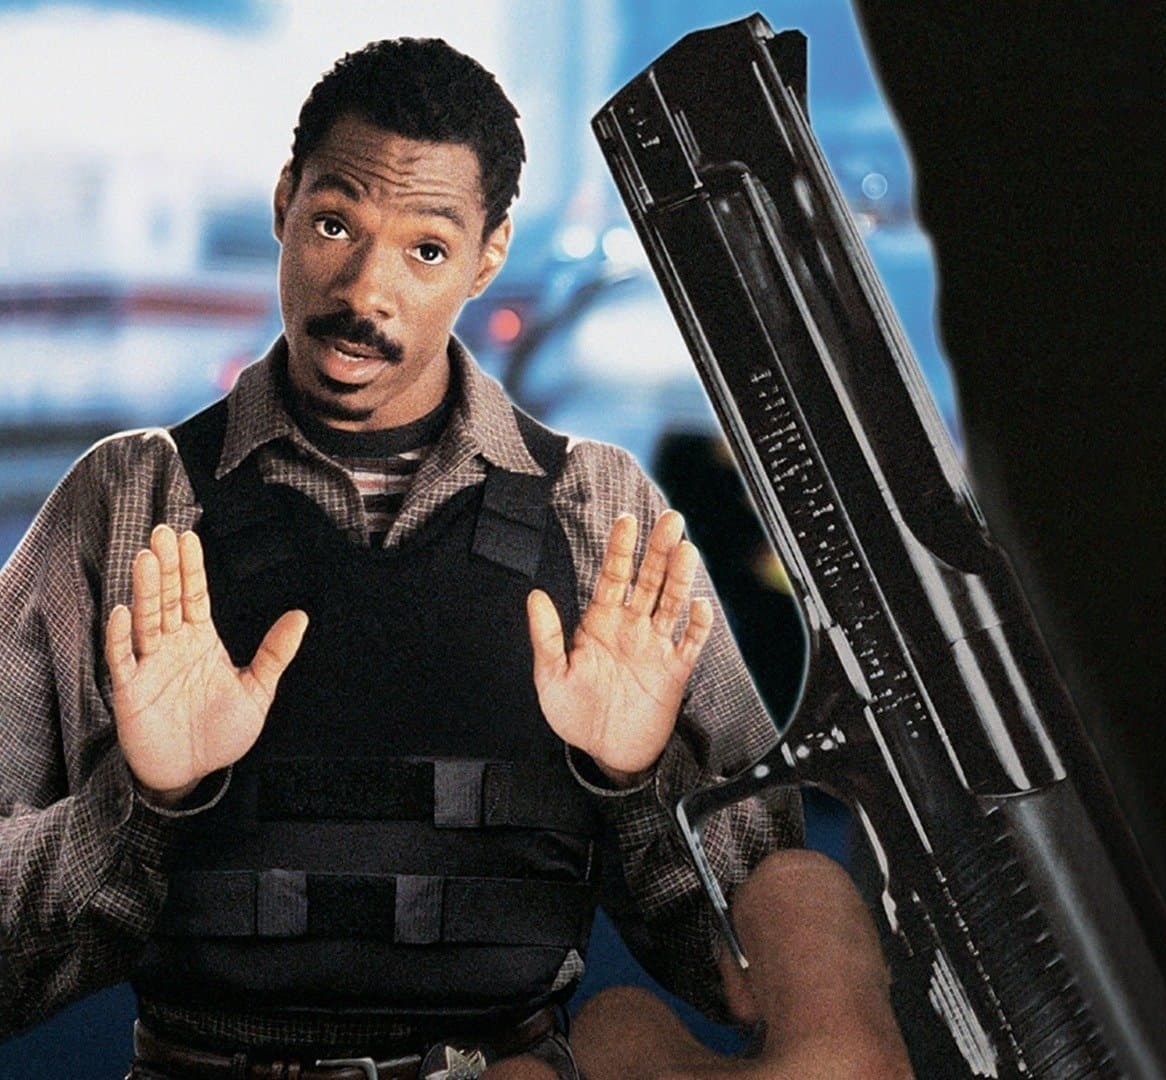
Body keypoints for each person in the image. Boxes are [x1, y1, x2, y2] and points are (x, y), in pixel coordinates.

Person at [0, 37, 898, 1079]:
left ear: (489, 254)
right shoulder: (131, 502)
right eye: (335, 224)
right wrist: (143, 802)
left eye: (425, 250)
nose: (364, 292)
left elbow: (744, 968)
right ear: (286, 201)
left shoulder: (597, 509)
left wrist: (633, 776)